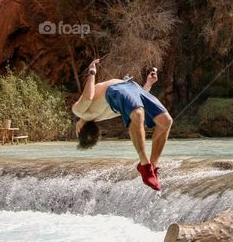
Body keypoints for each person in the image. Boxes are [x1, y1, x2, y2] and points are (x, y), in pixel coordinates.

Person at [72, 58, 173, 191]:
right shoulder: (87, 112)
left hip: (130, 86)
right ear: (79, 130)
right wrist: (91, 72)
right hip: (122, 88)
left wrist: (148, 83)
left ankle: (152, 168)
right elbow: (88, 97)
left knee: (166, 121)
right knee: (138, 114)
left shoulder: (87, 113)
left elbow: (89, 97)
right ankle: (146, 165)